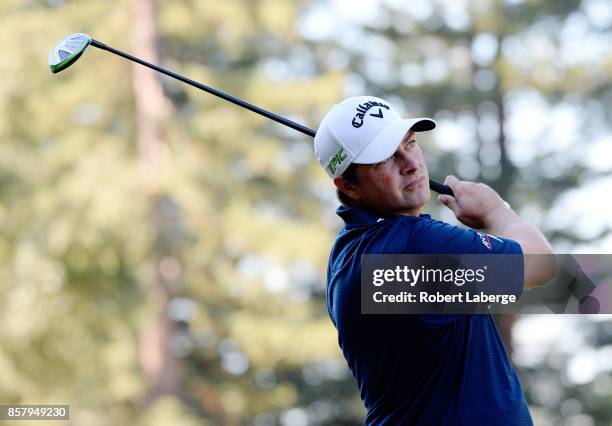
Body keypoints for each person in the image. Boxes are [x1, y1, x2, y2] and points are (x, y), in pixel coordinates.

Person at [314, 96, 555, 425]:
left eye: (409, 143)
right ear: (349, 186)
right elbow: (550, 270)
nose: (410, 163)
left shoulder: (345, 255)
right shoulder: (413, 245)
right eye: (384, 159)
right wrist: (496, 211)